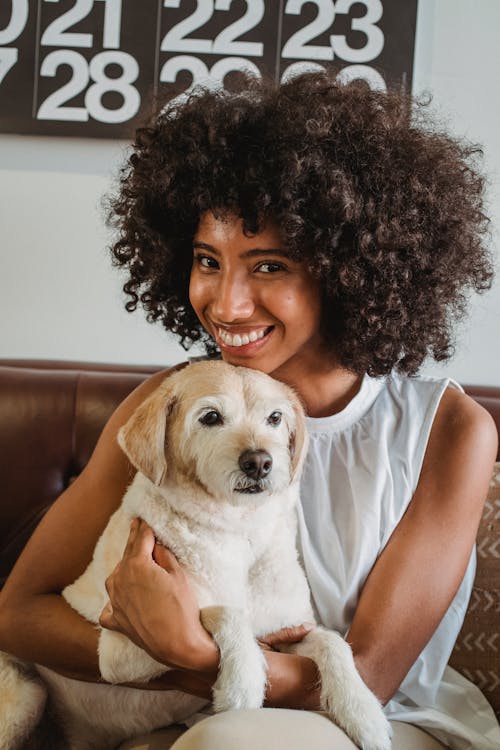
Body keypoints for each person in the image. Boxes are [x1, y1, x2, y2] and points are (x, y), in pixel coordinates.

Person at [0, 71, 499, 750]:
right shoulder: (174, 405)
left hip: (385, 723)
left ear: (349, 267)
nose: (227, 304)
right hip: (196, 715)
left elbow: (372, 678)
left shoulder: (448, 431)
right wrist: (144, 655)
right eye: (208, 260)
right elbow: (19, 615)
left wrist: (190, 652)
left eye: (268, 266)